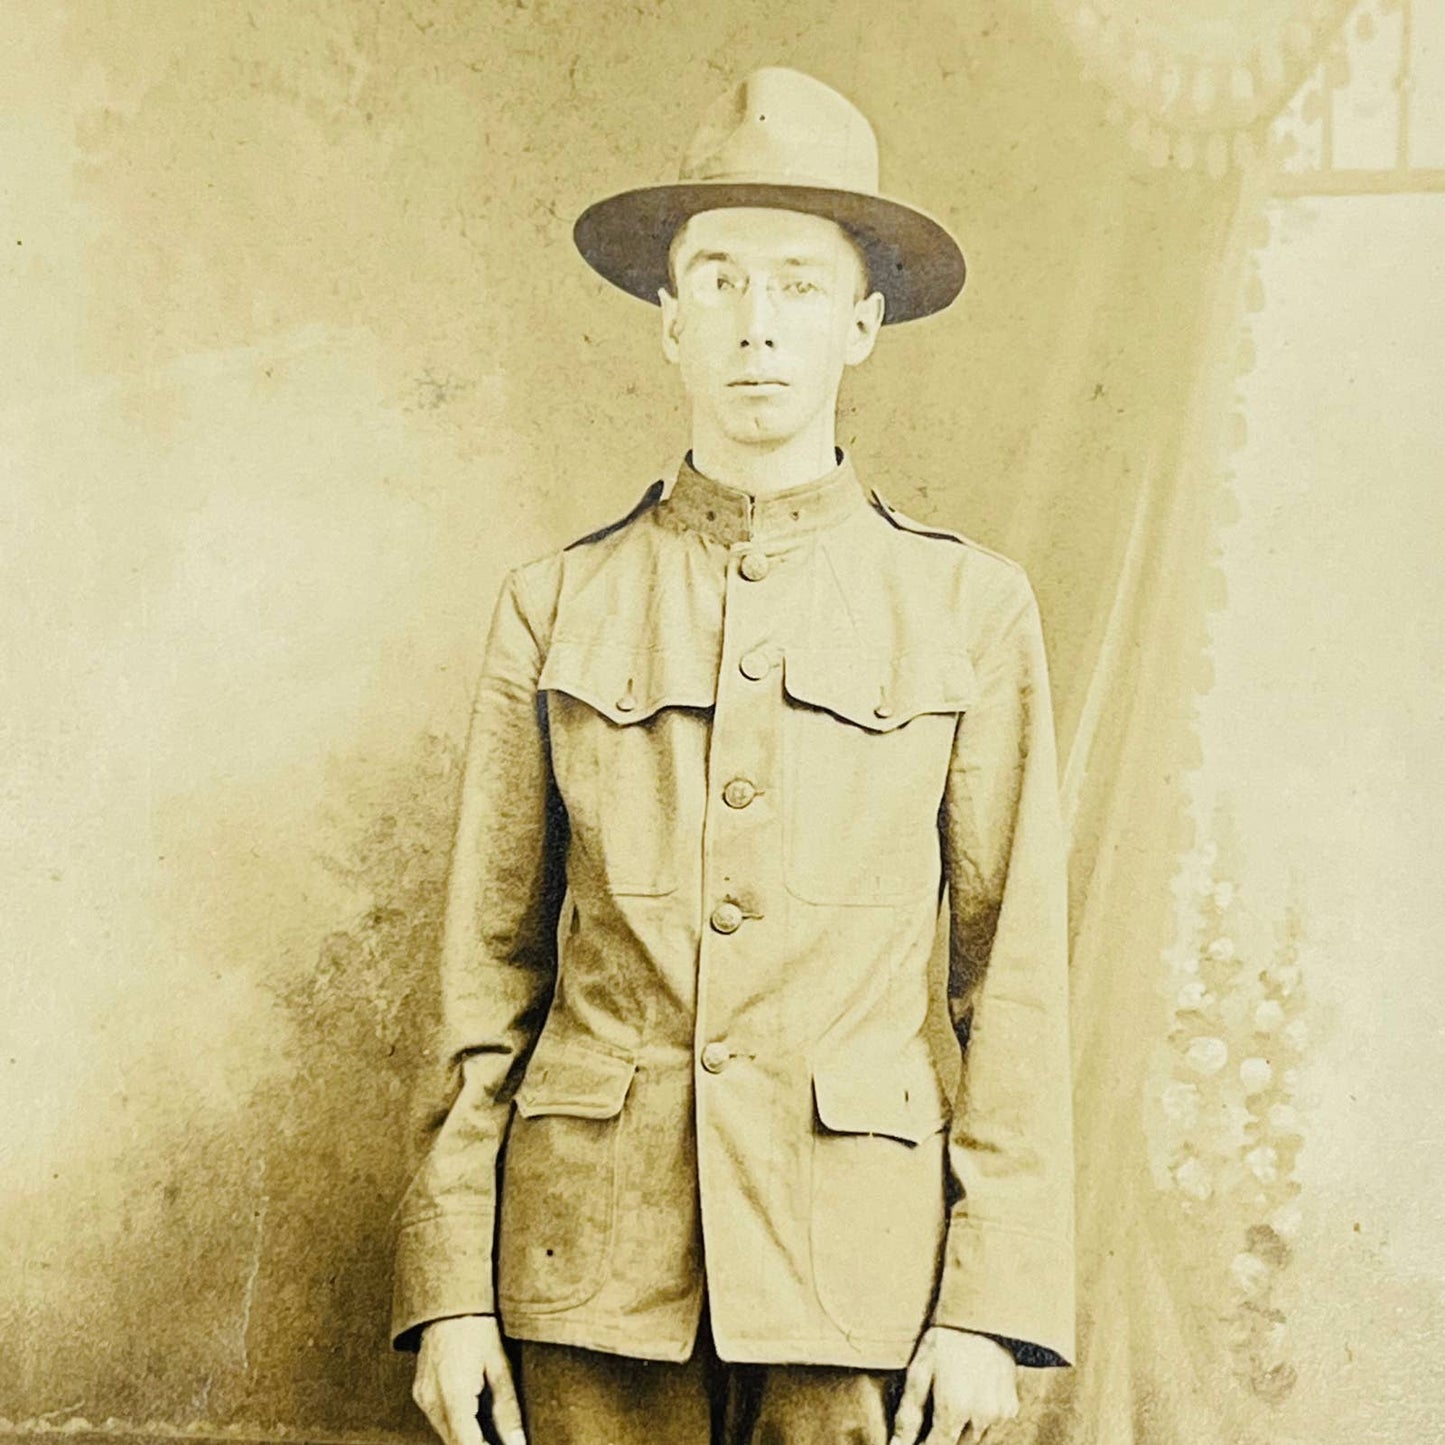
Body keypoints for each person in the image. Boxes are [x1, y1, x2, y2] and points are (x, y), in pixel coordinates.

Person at [393, 66, 1074, 1445]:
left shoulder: (965, 608)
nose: (757, 325)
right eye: (716, 279)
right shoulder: (555, 604)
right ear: (666, 317)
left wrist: (984, 1305)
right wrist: (449, 1290)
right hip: (584, 1281)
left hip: (857, 1282)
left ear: (864, 319)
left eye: (799, 284)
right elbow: (483, 968)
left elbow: (1015, 979)